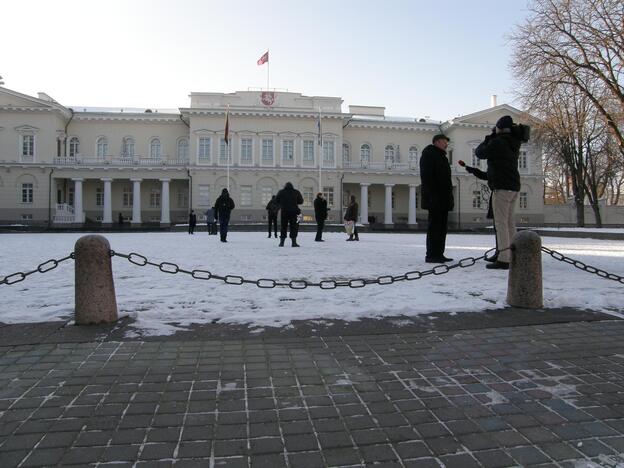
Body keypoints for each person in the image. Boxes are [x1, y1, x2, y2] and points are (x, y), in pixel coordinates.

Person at [475, 115, 522, 270]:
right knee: (509, 223)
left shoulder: (498, 142)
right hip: (513, 186)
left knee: (501, 223)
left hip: (502, 186)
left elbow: (480, 152)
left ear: (499, 128)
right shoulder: (514, 141)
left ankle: (503, 258)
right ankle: (512, 255)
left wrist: (488, 138)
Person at [419, 134, 454, 263]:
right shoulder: (429, 155)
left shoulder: (441, 156)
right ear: (437, 142)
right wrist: (432, 196)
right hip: (435, 198)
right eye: (445, 142)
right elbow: (427, 178)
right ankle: (432, 254)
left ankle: (439, 253)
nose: (446, 144)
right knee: (435, 227)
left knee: (441, 228)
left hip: (442, 198)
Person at [459, 160, 498, 263]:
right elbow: (487, 175)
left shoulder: (498, 160)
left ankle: (502, 253)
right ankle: (501, 252)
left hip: (499, 193)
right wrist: (472, 170)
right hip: (499, 192)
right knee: (499, 226)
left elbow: (488, 175)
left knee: (500, 226)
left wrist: (473, 170)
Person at [275, 182, 303, 247]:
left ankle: (282, 243)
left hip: (284, 212)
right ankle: (294, 242)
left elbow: (276, 200)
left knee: (283, 227)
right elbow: (301, 201)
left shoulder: (281, 192)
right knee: (294, 227)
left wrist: (282, 203)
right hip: (295, 212)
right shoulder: (296, 192)